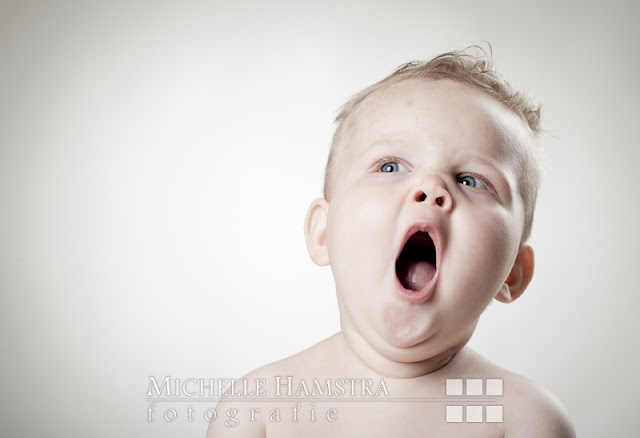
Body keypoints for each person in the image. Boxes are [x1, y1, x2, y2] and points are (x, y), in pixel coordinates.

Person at [206, 47, 575, 437]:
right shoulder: (259, 410)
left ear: (512, 272)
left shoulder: (525, 420)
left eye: (471, 180)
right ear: (323, 233)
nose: (430, 189)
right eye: (391, 166)